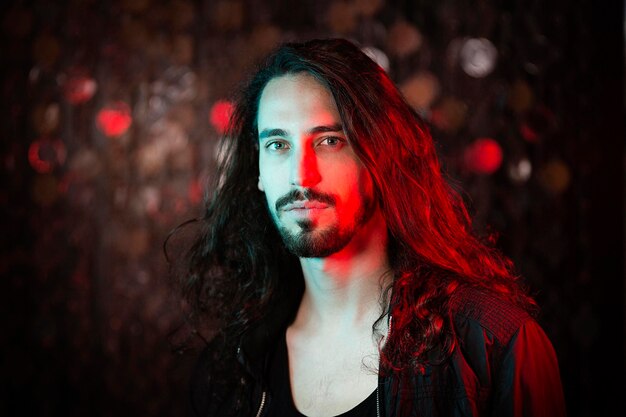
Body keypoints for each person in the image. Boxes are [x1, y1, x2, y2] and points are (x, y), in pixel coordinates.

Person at [174, 38, 566, 417]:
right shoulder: (233, 369)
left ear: (380, 155)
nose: (301, 176)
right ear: (258, 171)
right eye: (278, 145)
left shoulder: (490, 343)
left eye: (329, 140)